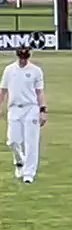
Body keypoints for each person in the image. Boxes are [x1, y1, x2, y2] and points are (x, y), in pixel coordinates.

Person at [0, 47, 48, 184]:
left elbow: (39, 92)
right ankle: (19, 161)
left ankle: (29, 173)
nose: (23, 60)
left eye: (25, 58)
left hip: (31, 108)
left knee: (31, 142)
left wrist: (43, 110)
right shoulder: (9, 70)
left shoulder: (35, 71)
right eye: (21, 58)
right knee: (13, 140)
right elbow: (3, 91)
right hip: (14, 108)